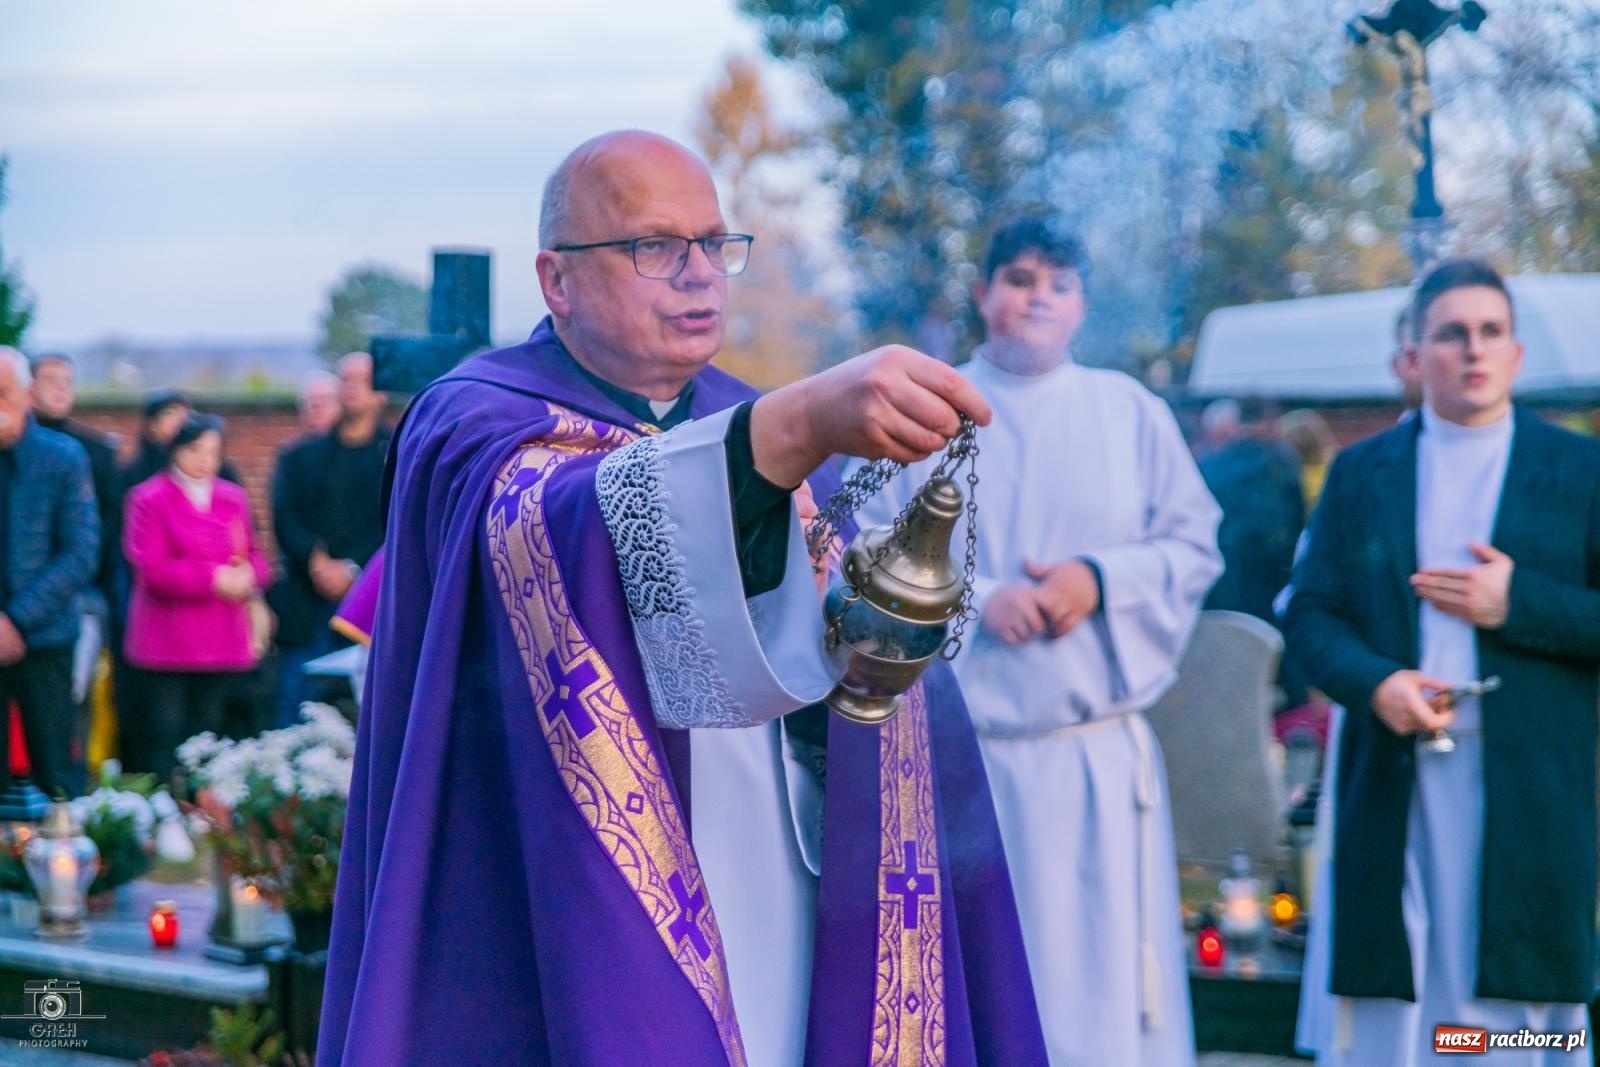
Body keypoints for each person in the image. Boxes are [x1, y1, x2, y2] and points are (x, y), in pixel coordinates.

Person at [318, 130, 1045, 1067]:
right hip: (557, 888)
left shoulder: (743, 413)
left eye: (715, 244)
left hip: (770, 871)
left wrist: (868, 625)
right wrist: (789, 428)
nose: (699, 276)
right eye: (654, 247)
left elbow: (828, 654)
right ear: (557, 279)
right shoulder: (471, 417)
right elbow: (550, 530)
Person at [850, 218, 1222, 1066]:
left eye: (1058, 283)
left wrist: (1097, 578)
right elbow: (861, 552)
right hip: (963, 764)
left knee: (1097, 1005)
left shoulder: (1130, 412)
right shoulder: (926, 410)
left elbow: (1195, 547)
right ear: (983, 294)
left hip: (1093, 763)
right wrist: (980, 601)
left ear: (1082, 304)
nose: (1037, 298)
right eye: (1018, 278)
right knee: (977, 994)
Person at [1287, 257, 1599, 1065]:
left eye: (1491, 331)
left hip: (1528, 782)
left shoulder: (1579, 470)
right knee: (1405, 1006)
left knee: (1508, 1016)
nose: (1473, 350)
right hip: (1394, 777)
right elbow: (1311, 616)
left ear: (1517, 353)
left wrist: (1515, 602)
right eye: (1452, 333)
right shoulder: (1362, 473)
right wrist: (1376, 682)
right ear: (1414, 355)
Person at [123, 413, 270, 784]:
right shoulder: (149, 498)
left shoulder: (231, 497)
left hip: (221, 635)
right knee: (164, 734)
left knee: (211, 735)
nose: (204, 460)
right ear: (175, 450)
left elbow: (254, 553)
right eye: (195, 449)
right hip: (169, 639)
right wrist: (213, 578)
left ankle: (205, 814)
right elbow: (152, 568)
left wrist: (251, 574)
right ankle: (163, 816)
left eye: (213, 451)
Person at [269, 352, 389, 726]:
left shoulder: (398, 454)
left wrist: (353, 568)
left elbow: (394, 521)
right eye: (345, 379)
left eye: (361, 380)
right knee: (296, 706)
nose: (351, 387)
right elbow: (285, 515)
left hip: (372, 600)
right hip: (308, 596)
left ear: (380, 393)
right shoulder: (301, 456)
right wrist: (315, 559)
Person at [0, 348, 99, 798]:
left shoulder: (63, 457)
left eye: (3, 393)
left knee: (56, 773)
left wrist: (15, 620)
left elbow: (79, 552)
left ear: (27, 395)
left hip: (45, 636)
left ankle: (63, 864)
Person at [295, 370, 341, 436]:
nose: (316, 404)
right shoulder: (293, 445)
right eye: (310, 400)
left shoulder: (354, 443)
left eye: (325, 399)